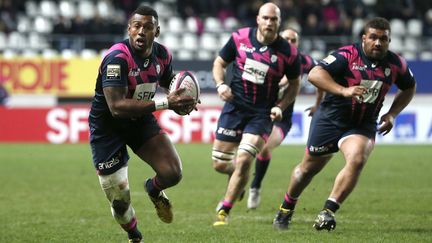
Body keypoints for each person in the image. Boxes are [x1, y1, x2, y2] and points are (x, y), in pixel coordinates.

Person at [272, 17, 416, 231]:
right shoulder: (346, 55)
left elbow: (409, 87)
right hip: (330, 119)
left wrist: (392, 114)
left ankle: (327, 211)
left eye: (383, 39)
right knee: (307, 170)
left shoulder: (396, 64)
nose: (378, 43)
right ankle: (286, 208)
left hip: (362, 124)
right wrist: (344, 90)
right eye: (374, 38)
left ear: (389, 41)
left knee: (357, 158)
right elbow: (314, 74)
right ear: (364, 38)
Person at [88, 5, 197, 243]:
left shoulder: (163, 55)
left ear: (156, 32)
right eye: (136, 26)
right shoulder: (117, 58)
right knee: (120, 201)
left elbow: (170, 83)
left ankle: (153, 189)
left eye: (147, 27)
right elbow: (116, 107)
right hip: (108, 129)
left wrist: (184, 98)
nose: (141, 32)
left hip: (139, 122)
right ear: (129, 29)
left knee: (173, 173)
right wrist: (166, 104)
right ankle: (134, 234)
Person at [211, 2, 301, 226]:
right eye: (266, 18)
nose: (270, 22)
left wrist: (280, 105)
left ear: (279, 23)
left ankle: (224, 210)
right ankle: (239, 182)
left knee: (243, 159)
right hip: (234, 107)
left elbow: (294, 84)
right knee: (220, 164)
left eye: (274, 19)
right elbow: (219, 62)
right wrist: (221, 84)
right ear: (258, 20)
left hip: (261, 114)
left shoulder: (288, 53)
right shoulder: (239, 38)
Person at [247, 27, 322, 209]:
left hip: (282, 119)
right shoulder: (266, 55)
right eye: (286, 39)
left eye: (293, 40)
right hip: (258, 114)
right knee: (243, 152)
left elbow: (322, 76)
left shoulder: (303, 61)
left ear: (298, 44)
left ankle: (254, 187)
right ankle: (241, 181)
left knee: (263, 147)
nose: (289, 43)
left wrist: (318, 104)